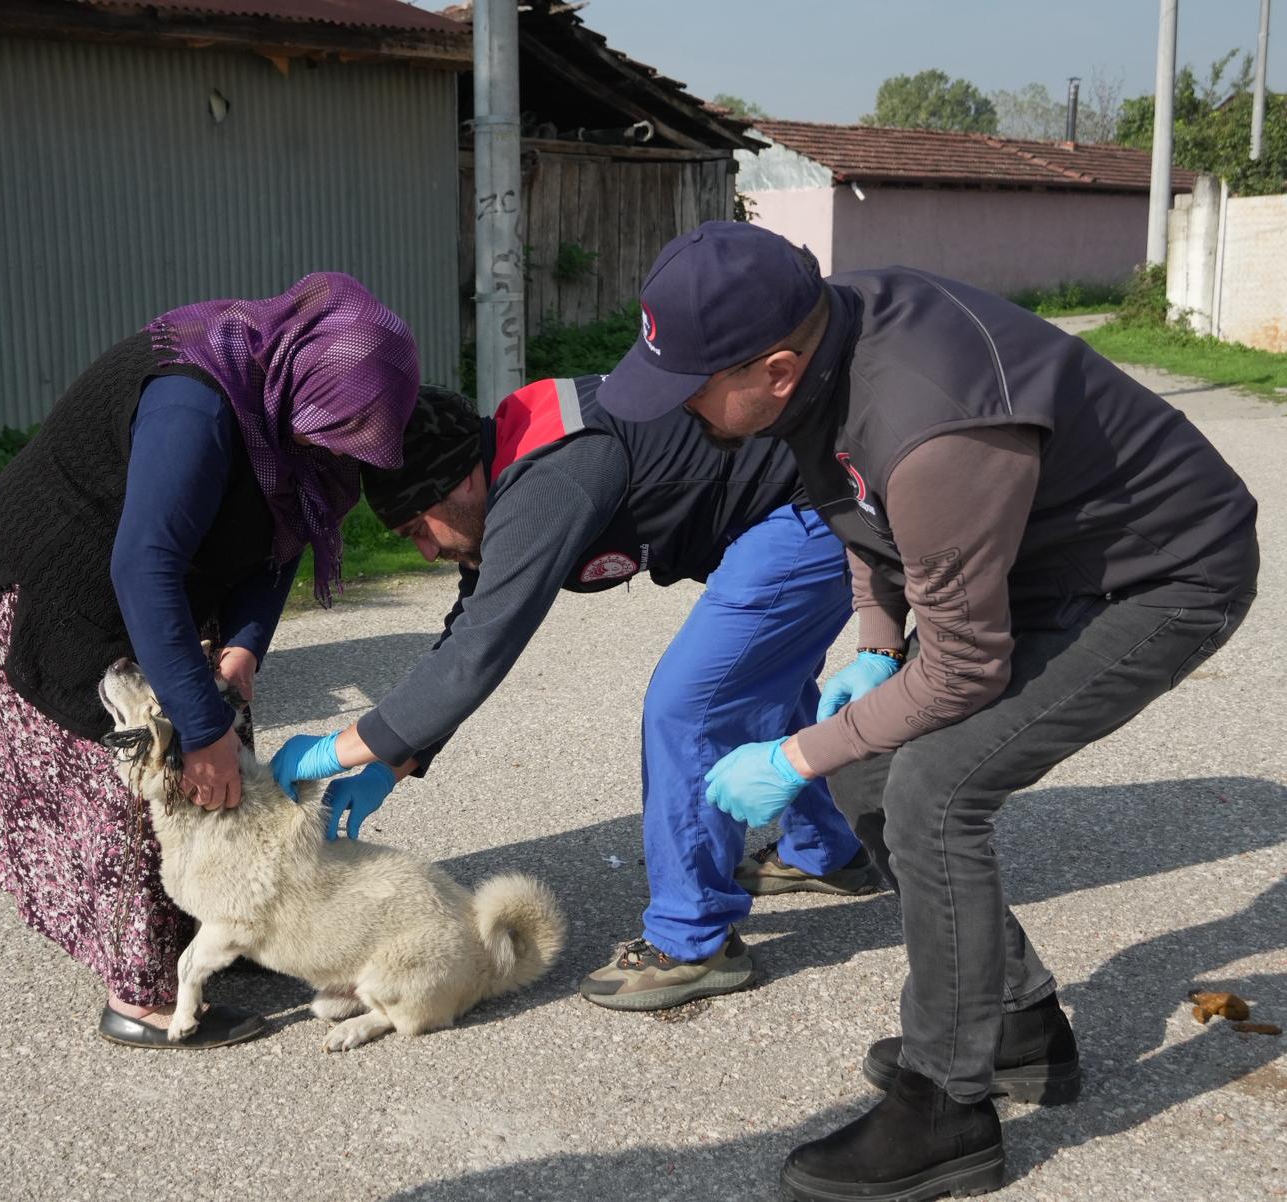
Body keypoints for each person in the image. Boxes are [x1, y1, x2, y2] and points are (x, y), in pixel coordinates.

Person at [597, 222, 1259, 1200]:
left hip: (1163, 577)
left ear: (775, 370)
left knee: (936, 790)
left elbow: (960, 670)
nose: (682, 410)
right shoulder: (827, 338)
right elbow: (855, 501)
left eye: (692, 388)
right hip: (1043, 563)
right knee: (870, 765)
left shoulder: (935, 426)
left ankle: (947, 1107)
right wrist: (874, 641)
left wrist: (793, 755)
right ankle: (1016, 1024)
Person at [269, 376, 879, 1013]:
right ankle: (826, 849)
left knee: (691, 707)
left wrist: (335, 749)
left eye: (420, 526)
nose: (425, 552)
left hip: (817, 504)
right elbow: (467, 632)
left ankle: (694, 941)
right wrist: (391, 762)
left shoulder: (549, 478)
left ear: (462, 481)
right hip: (795, 499)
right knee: (758, 676)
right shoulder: (506, 470)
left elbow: (478, 654)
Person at [0, 272, 420, 1050]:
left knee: (221, 779)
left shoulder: (290, 407)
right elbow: (142, 564)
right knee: (133, 783)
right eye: (327, 433)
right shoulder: (195, 404)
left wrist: (244, 645)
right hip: (67, 591)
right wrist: (201, 726)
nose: (328, 448)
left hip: (170, 583)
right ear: (302, 381)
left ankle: (225, 929)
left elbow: (282, 534)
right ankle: (143, 995)